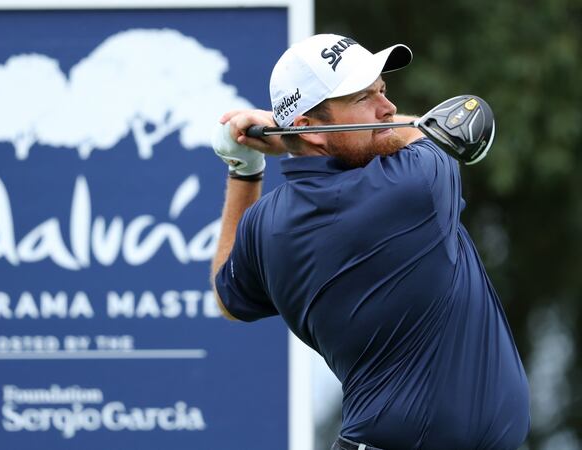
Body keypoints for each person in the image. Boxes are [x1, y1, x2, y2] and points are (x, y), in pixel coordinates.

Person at [210, 34, 530, 450]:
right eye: (364, 98)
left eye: (382, 89)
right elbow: (439, 128)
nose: (387, 107)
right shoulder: (412, 186)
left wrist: (244, 168)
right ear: (310, 130)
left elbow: (226, 295)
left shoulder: (264, 226)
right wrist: (280, 130)